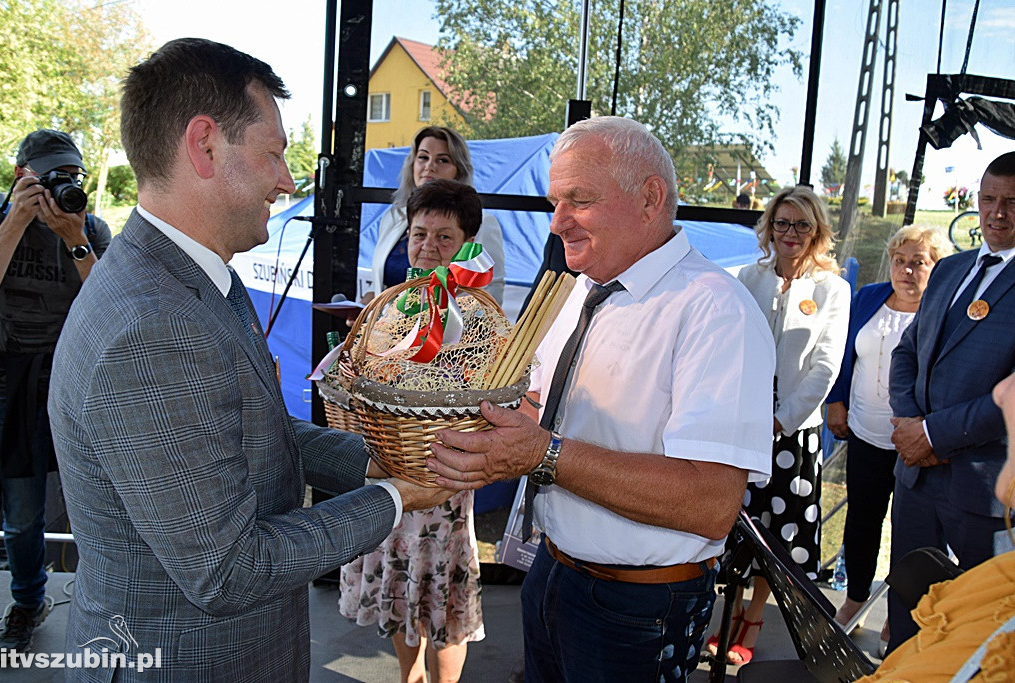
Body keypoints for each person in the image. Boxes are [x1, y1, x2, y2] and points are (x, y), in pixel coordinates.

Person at [46, 38, 451, 681]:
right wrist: (397, 497)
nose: (287, 181)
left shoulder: (196, 279)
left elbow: (250, 427)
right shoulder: (154, 324)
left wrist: (376, 460)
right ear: (205, 145)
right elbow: (229, 569)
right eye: (275, 153)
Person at [425, 116, 776, 683]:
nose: (557, 221)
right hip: (553, 573)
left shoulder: (716, 311)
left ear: (650, 198)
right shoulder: (577, 289)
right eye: (555, 200)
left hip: (639, 607)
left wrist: (542, 455)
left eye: (579, 200)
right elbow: (546, 409)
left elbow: (712, 501)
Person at [339, 179, 487, 683]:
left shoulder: (475, 317)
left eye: (444, 237)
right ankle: (410, 678)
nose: (427, 246)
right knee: (403, 601)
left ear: (468, 246)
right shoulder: (389, 307)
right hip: (392, 473)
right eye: (419, 233)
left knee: (445, 605)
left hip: (443, 479)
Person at [886, 151, 1015, 653]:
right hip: (917, 478)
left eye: (1011, 202)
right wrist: (909, 424)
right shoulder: (949, 270)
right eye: (988, 199)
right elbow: (907, 353)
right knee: (909, 607)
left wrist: (935, 435)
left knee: (976, 628)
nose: (997, 212)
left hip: (984, 491)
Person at [716, 186, 850, 664]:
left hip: (793, 433)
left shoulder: (832, 288)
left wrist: (782, 419)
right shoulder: (744, 278)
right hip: (743, 424)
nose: (790, 234)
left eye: (802, 225)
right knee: (738, 526)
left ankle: (752, 619)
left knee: (781, 534)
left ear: (817, 233)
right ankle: (728, 614)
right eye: (782, 223)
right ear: (769, 227)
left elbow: (825, 368)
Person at [0, 129, 110, 660]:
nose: (65, 186)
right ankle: (27, 601)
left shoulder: (90, 226)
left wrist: (75, 239)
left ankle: (107, 603)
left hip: (72, 382)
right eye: (52, 177)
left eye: (72, 176)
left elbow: (113, 308)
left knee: (98, 502)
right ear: (22, 176)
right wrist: (16, 221)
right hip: (6, 382)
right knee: (21, 512)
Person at [825, 225, 951, 652]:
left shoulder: (944, 311)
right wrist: (837, 401)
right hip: (864, 434)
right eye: (901, 260)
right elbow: (845, 352)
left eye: (919, 262)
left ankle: (901, 619)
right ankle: (854, 598)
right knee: (861, 523)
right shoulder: (868, 298)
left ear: (937, 268)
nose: (907, 270)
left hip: (916, 447)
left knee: (912, 534)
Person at [855, 370, 1015, 682]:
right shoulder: (993, 585)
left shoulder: (1000, 645)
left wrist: (934, 434)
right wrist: (917, 427)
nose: (1001, 392)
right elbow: (907, 354)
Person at [368, 126, 506, 303]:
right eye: (423, 157)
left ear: (459, 170)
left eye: (442, 160)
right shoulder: (393, 217)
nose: (430, 166)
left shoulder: (483, 223)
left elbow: (491, 290)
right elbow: (379, 283)